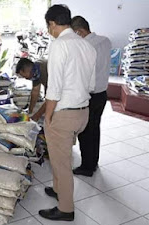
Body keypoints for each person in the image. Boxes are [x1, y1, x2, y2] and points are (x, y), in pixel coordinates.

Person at [38, 5, 96, 221]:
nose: (49, 30)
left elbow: (54, 88)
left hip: (64, 113)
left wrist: (48, 116)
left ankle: (66, 208)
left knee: (61, 163)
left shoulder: (59, 45)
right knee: (59, 156)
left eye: (48, 26)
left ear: (53, 24)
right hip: (83, 112)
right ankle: (58, 189)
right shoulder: (86, 46)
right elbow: (91, 85)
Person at [71, 16, 111, 177]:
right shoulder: (105, 41)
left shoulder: (84, 47)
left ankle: (87, 167)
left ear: (79, 31)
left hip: (88, 96)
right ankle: (93, 162)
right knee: (95, 129)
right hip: (102, 95)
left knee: (85, 132)